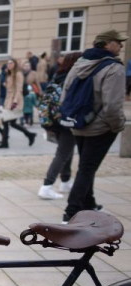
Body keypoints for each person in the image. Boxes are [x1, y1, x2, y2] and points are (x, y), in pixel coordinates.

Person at [61, 30, 127, 223]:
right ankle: (71, 212)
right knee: (87, 168)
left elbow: (65, 93)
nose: (121, 46)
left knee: (85, 166)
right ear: (107, 44)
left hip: (78, 123)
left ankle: (89, 204)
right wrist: (117, 126)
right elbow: (113, 105)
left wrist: (71, 117)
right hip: (100, 128)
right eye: (118, 42)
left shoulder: (80, 63)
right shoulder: (114, 68)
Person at [38, 52, 82, 200]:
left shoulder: (58, 76)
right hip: (67, 119)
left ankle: (66, 181)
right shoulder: (74, 78)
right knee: (63, 153)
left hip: (54, 119)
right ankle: (47, 186)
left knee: (66, 151)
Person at [0, 58, 37, 149]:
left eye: (11, 63)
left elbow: (19, 89)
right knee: (9, 122)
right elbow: (8, 87)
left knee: (7, 122)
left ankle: (6, 142)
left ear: (15, 64)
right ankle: (29, 135)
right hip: (8, 100)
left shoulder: (18, 74)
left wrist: (14, 102)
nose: (9, 65)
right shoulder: (9, 74)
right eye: (8, 63)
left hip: (14, 101)